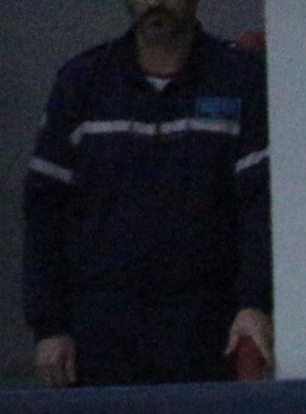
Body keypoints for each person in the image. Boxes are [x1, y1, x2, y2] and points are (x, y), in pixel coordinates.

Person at [22, 0, 272, 388]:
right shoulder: (83, 82)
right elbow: (44, 211)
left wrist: (255, 303)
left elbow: (260, 205)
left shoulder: (241, 78)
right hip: (100, 334)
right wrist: (50, 326)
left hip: (209, 330)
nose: (155, 2)